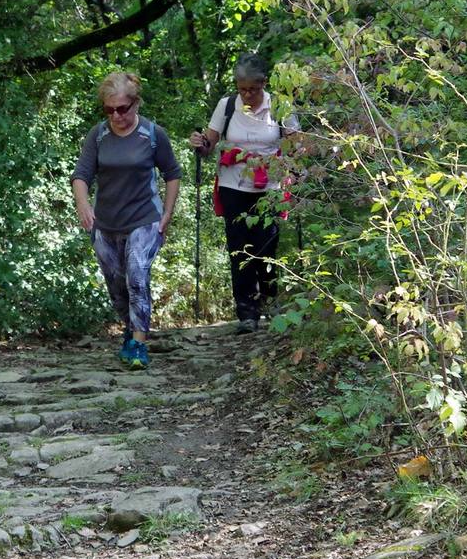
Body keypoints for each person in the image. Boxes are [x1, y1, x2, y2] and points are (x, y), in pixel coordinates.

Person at [71, 72, 182, 369]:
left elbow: (172, 173)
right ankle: (130, 329)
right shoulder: (98, 135)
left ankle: (138, 343)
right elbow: (81, 175)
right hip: (106, 223)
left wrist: (167, 212)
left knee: (136, 272)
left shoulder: (153, 134)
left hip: (144, 218)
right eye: (109, 110)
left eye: (122, 108)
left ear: (136, 103)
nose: (116, 116)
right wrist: (83, 203)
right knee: (116, 284)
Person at [188, 53, 300, 333]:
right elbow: (209, 145)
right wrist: (200, 143)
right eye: (242, 89)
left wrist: (295, 168)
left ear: (264, 83)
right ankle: (247, 314)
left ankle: (270, 303)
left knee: (267, 247)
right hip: (233, 185)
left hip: (270, 187)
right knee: (239, 250)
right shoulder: (227, 106)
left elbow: (296, 145)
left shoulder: (280, 106)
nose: (247, 95)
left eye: (252, 89)